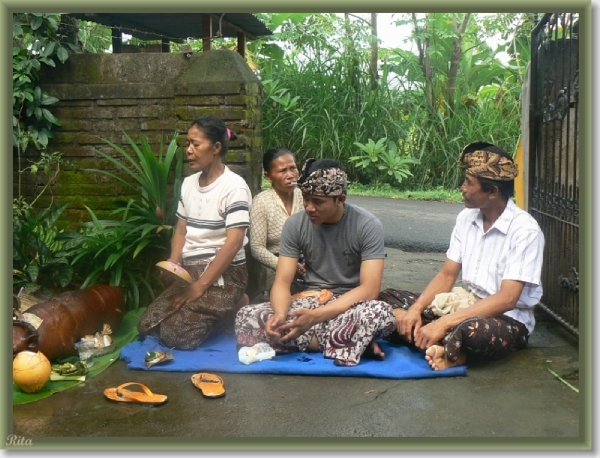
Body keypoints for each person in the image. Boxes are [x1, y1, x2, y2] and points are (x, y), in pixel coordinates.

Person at [394, 141, 545, 371]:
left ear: (492, 192)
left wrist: (443, 323)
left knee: (472, 331)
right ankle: (442, 344)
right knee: (391, 299)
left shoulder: (525, 231)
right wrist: (415, 310)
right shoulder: (466, 218)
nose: (462, 187)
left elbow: (507, 299)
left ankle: (446, 346)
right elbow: (447, 275)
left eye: (468, 182)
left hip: (506, 319)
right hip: (465, 305)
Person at [235, 158, 396, 366]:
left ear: (340, 199)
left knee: (380, 313)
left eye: (318, 201)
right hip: (311, 300)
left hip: (350, 305)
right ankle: (346, 343)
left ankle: (308, 340)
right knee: (245, 315)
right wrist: (281, 315)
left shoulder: (367, 225)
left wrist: (316, 317)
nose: (310, 207)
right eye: (306, 199)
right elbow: (283, 282)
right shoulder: (295, 224)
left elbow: (370, 289)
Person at [137, 115, 252, 350]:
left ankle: (234, 307)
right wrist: (174, 264)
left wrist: (200, 287)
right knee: (147, 326)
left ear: (216, 147)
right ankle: (229, 305)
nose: (188, 151)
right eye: (187, 144)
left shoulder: (235, 186)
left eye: (195, 144)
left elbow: (233, 243)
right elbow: (181, 230)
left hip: (226, 275)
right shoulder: (189, 184)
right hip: (191, 272)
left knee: (177, 336)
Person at [249, 148, 304, 297]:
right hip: (276, 265)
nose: (290, 175)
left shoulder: (303, 196)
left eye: (293, 168)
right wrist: (285, 266)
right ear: (268, 176)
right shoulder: (262, 202)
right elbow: (256, 248)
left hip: (305, 262)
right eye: (282, 171)